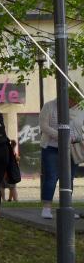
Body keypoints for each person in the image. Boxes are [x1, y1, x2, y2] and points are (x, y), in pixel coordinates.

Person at [39, 91, 84, 219]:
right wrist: (61, 136)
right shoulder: (49, 106)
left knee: (69, 178)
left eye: (76, 102)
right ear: (66, 97)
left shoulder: (80, 109)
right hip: (51, 148)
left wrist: (77, 138)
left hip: (72, 149)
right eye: (72, 101)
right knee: (51, 177)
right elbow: (44, 126)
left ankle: (67, 207)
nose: (74, 104)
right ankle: (46, 208)